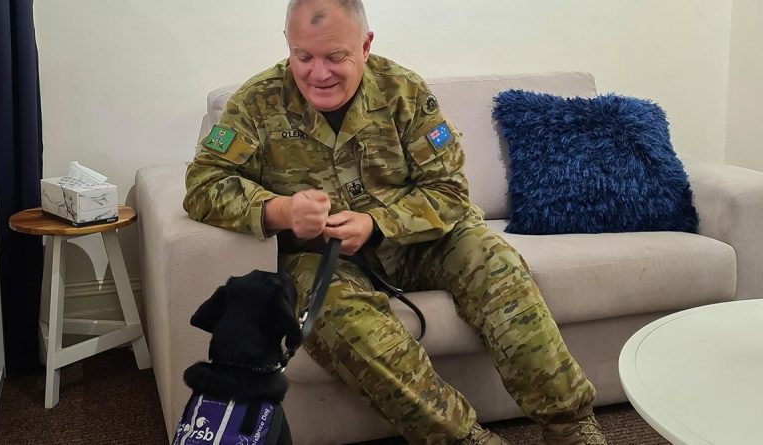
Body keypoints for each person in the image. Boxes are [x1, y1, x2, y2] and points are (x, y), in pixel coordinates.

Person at [183, 1, 607, 444]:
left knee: (494, 259)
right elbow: (202, 184)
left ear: (365, 46)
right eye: (303, 56)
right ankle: (465, 440)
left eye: (335, 57)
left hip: (421, 243)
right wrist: (279, 210)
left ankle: (570, 425)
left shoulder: (403, 92)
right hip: (324, 260)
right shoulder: (256, 102)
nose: (318, 73)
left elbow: (449, 191)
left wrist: (376, 223)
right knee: (337, 316)